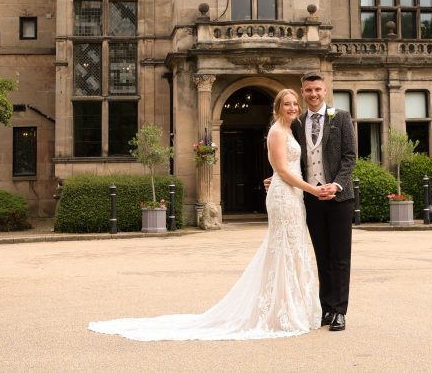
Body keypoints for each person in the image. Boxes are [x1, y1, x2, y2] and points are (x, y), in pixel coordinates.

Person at [88, 89, 324, 341]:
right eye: (287, 104)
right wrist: (312, 190)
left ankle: (289, 307)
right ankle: (282, 310)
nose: (292, 108)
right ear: (277, 107)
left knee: (293, 248)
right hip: (285, 195)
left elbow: (287, 169)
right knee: (284, 248)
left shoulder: (290, 129)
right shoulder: (277, 131)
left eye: (294, 104)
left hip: (292, 194)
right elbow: (282, 170)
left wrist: (289, 183)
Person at [292, 72, 357, 332]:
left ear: (325, 90)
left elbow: (350, 157)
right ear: (302, 92)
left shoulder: (340, 117)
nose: (313, 94)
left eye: (317, 89)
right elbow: (293, 160)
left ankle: (340, 311)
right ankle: (326, 308)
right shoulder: (297, 122)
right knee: (322, 256)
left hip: (340, 197)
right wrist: (275, 180)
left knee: (340, 256)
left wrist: (337, 184)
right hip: (312, 198)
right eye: (308, 90)